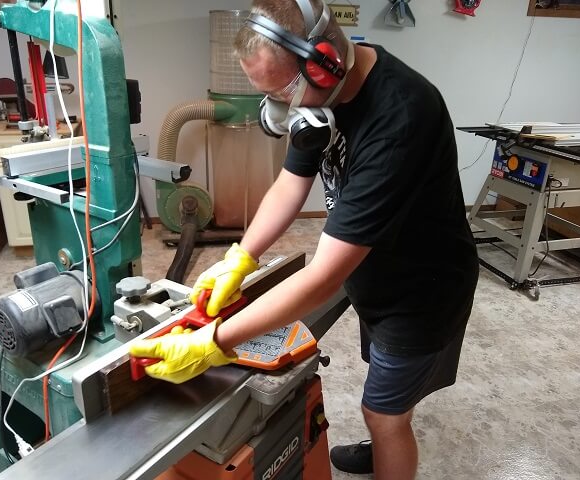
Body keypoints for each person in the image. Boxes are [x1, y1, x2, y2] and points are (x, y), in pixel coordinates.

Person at [128, 0, 479, 478]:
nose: (281, 109)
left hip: (422, 290)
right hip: (375, 272)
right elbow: (290, 184)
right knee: (385, 380)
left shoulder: (400, 118)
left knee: (384, 412)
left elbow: (322, 278)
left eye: (284, 90)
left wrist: (214, 341)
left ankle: (386, 439)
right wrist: (241, 256)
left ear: (325, 60)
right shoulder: (320, 98)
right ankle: (384, 436)